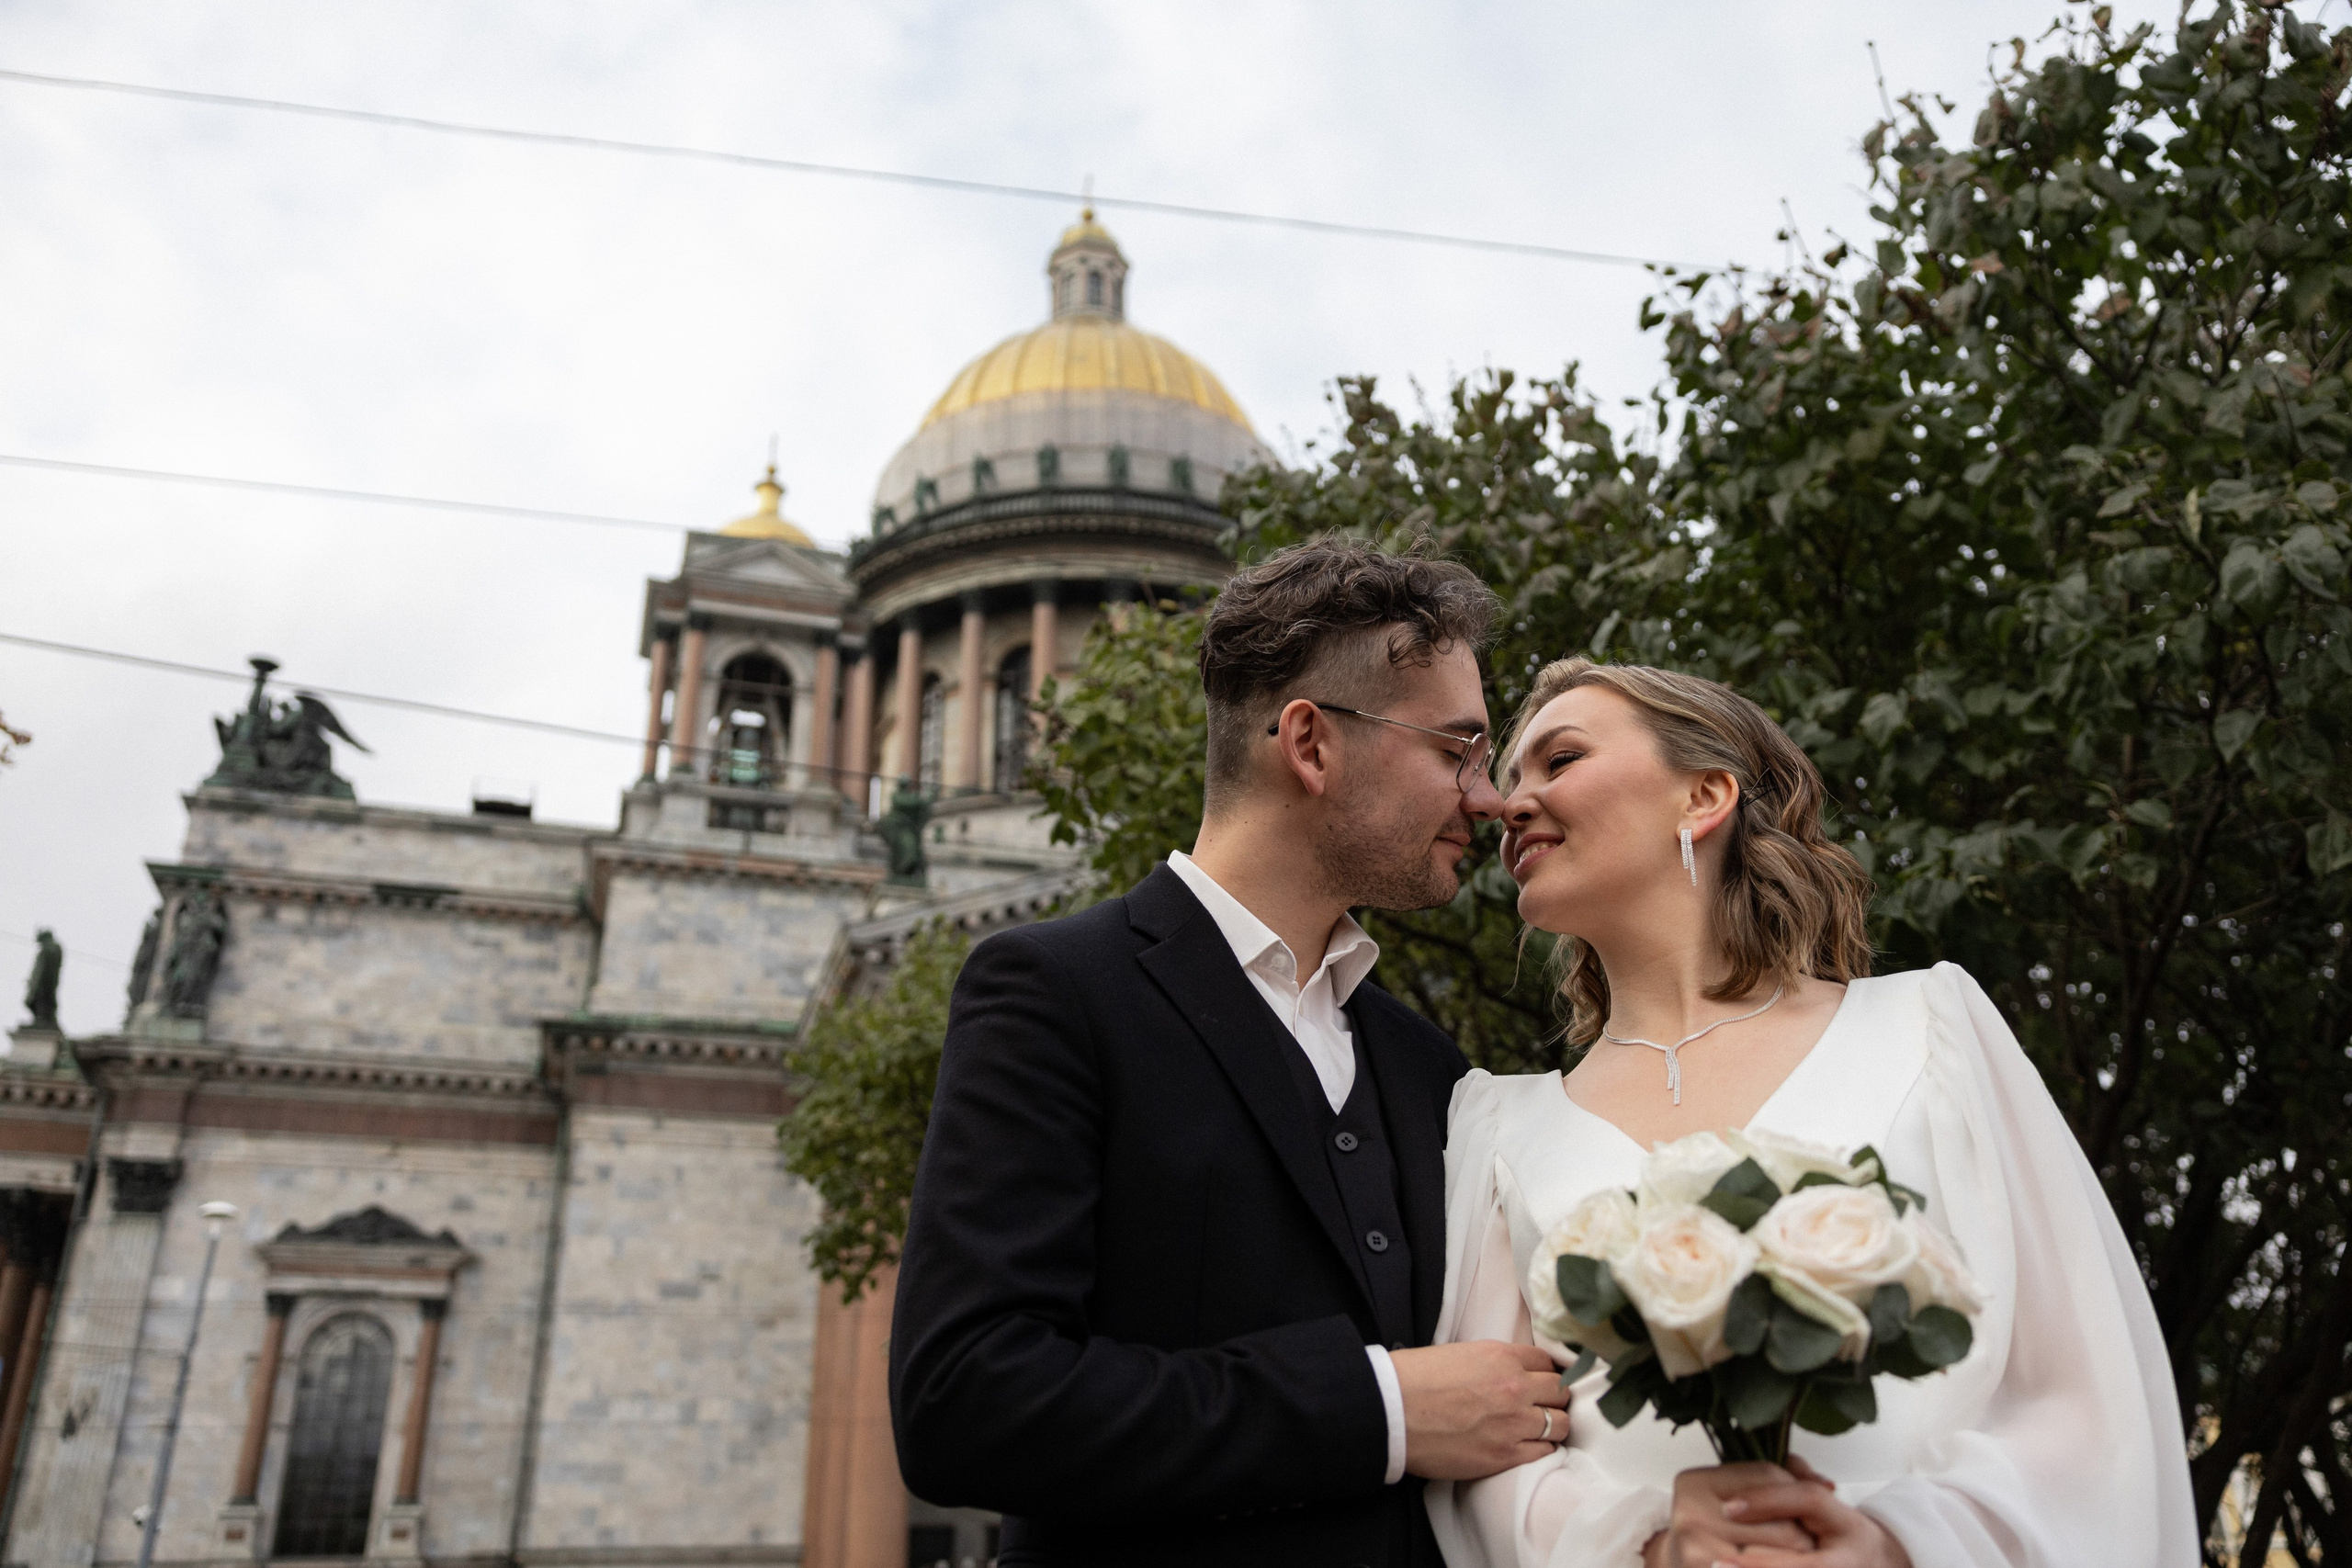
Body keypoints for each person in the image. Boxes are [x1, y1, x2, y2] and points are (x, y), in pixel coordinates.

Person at [1428, 658, 2200, 1567]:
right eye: (1506, 780)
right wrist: (1648, 1546)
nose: (1507, 804)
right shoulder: (1495, 1129)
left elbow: (2080, 1390)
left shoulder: (1929, 1031)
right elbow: (1492, 1453)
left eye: (1557, 761)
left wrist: (1901, 1540)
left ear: (1703, 796)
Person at [890, 539, 1572, 1567]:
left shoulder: (1426, 1065)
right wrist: (1380, 1407)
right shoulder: (1056, 994)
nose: (1487, 798)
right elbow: (969, 1401)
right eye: (1456, 750)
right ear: (1310, 743)